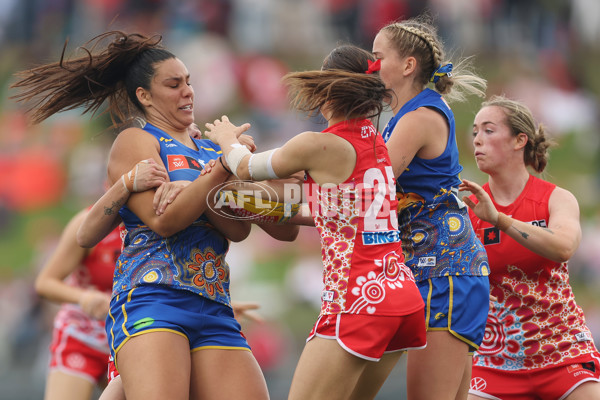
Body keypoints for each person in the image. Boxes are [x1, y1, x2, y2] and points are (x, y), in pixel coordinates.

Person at [12, 31, 271, 400]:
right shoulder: (136, 140)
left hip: (214, 304)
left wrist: (219, 174)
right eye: (174, 84)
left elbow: (239, 229)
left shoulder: (212, 149)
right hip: (153, 300)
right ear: (144, 96)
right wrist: (220, 172)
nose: (188, 91)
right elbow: (164, 220)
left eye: (189, 82)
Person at [204, 44, 426, 400]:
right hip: (403, 300)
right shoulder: (377, 145)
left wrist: (226, 138)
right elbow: (339, 214)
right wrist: (262, 208)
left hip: (358, 300)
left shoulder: (318, 145)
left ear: (327, 90)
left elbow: (244, 166)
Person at [371, 16, 490, 400]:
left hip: (444, 269)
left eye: (377, 57)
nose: (371, 66)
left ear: (408, 66)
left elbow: (371, 187)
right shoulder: (404, 114)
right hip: (437, 268)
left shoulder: (420, 116)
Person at [460, 95, 600, 400]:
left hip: (562, 352)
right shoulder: (467, 210)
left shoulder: (555, 198)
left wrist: (499, 220)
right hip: (495, 360)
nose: (477, 140)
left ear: (519, 140)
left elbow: (563, 248)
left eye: (488, 130)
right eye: (474, 132)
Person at [34, 160, 168, 400]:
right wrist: (84, 297)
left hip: (131, 335)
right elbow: (45, 283)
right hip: (83, 333)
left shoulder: (162, 225)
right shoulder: (88, 224)